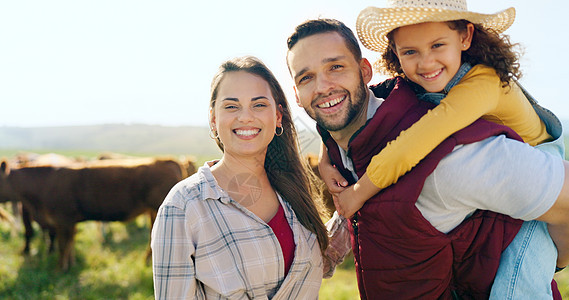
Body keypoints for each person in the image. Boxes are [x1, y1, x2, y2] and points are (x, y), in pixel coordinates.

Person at [286, 17, 569, 299]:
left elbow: (410, 146)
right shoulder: (389, 108)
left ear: (364, 71)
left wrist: (556, 256)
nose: (322, 86)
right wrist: (325, 163)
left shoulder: (453, 153)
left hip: (541, 150)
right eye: (306, 77)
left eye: (335, 67)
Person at [151, 56, 330, 299]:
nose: (245, 117)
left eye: (258, 105)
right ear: (214, 120)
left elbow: (319, 263)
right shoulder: (183, 205)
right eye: (232, 106)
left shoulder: (294, 192)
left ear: (278, 117)